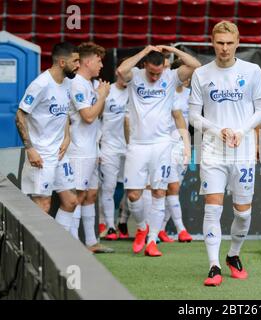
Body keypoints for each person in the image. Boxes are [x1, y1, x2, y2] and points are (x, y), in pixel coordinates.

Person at [189, 21, 261, 286]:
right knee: (212, 208)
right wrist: (216, 129)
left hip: (243, 152)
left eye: (229, 43)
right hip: (212, 151)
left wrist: (241, 131)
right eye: (219, 43)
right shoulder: (201, 74)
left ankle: (233, 254)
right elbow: (192, 115)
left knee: (242, 213)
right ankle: (214, 266)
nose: (224, 48)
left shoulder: (252, 71)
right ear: (212, 42)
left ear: (237, 42)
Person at [117, 44, 200, 257]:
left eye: (158, 73)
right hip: (137, 145)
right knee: (134, 194)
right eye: (151, 73)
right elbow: (120, 71)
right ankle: (142, 226)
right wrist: (144, 51)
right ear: (145, 66)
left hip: (162, 145)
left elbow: (195, 65)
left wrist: (173, 50)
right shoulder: (135, 76)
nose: (155, 78)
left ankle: (152, 241)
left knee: (159, 192)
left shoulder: (170, 77)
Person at [16, 42, 79, 231]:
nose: (78, 65)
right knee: (43, 206)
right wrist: (30, 149)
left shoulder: (67, 82)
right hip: (41, 155)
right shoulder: (40, 84)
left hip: (60, 153)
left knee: (71, 201)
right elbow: (20, 116)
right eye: (75, 61)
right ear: (61, 62)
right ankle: (37, 255)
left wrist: (67, 137)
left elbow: (64, 112)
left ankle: (60, 246)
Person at [67, 42, 113, 253]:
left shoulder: (90, 85)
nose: (101, 65)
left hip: (92, 148)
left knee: (91, 195)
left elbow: (97, 116)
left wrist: (100, 94)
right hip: (79, 149)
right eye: (98, 60)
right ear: (87, 61)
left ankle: (92, 242)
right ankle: (74, 243)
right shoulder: (76, 83)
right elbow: (87, 116)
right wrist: (103, 95)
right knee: (77, 196)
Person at [158, 58, 193, 243]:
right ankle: (181, 229)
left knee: (174, 187)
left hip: (183, 143)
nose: (186, 78)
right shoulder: (165, 91)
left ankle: (161, 229)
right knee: (171, 187)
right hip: (165, 144)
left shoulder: (190, 94)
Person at [98, 62, 129, 241]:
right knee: (108, 187)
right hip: (109, 146)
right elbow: (96, 118)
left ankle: (122, 222)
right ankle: (109, 225)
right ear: (118, 72)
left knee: (130, 188)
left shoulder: (135, 91)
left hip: (131, 147)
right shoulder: (108, 91)